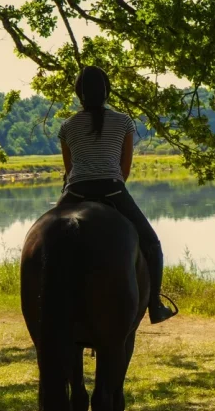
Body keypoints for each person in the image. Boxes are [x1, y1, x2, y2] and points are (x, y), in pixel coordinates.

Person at [57, 65, 177, 324]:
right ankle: (155, 305)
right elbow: (125, 169)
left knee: (43, 233)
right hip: (113, 189)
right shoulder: (123, 122)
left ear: (79, 93)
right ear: (106, 92)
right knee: (152, 244)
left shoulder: (67, 126)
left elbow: (70, 170)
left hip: (76, 191)